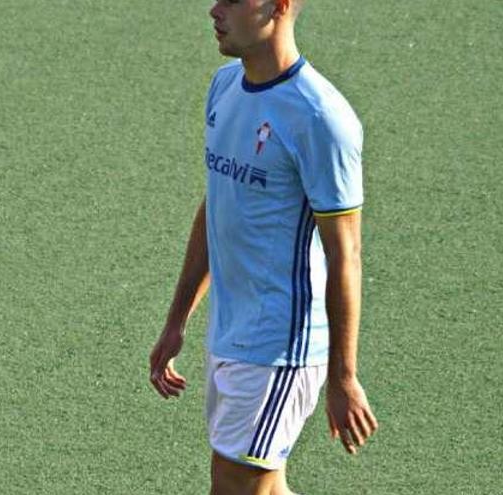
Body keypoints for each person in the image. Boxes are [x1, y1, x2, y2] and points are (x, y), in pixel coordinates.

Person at [149, 1, 377, 493]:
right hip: (231, 334)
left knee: (234, 486)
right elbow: (220, 206)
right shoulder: (224, 87)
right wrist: (176, 322)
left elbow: (346, 255)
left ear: (280, 6)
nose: (215, 10)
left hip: (279, 347)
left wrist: (344, 375)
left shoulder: (321, 119)